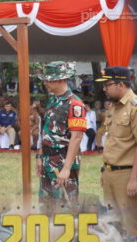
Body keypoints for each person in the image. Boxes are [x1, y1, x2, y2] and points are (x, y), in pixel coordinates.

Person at [97, 66, 137, 237]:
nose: (104, 89)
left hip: (128, 174)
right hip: (110, 173)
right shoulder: (113, 107)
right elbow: (113, 140)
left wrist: (134, 179)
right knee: (113, 223)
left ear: (120, 84)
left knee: (133, 224)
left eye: (108, 85)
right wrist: (105, 170)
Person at [38, 62, 86, 214]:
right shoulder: (53, 100)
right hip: (48, 161)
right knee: (46, 206)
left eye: (49, 80)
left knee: (65, 208)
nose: (45, 83)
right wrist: (40, 156)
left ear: (61, 80)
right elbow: (45, 130)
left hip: (63, 162)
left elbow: (76, 137)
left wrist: (66, 169)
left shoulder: (75, 104)